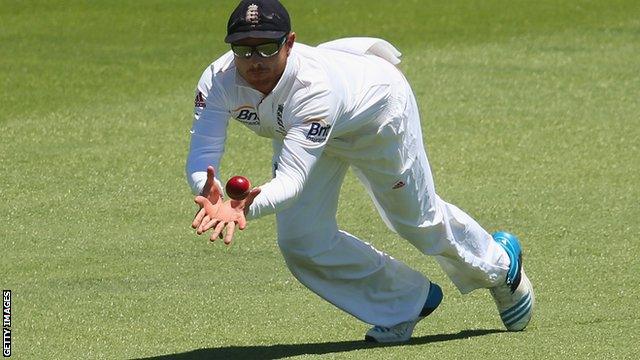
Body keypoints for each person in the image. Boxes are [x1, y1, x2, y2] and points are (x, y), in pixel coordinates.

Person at [187, 0, 534, 343]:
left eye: (265, 48)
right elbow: (203, 154)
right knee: (301, 240)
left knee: (417, 223)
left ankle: (501, 265)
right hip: (300, 130)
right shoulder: (217, 79)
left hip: (376, 116)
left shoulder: (313, 89)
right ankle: (405, 303)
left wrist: (243, 207)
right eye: (243, 50)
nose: (254, 61)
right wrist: (209, 190)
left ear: (289, 43)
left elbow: (292, 182)